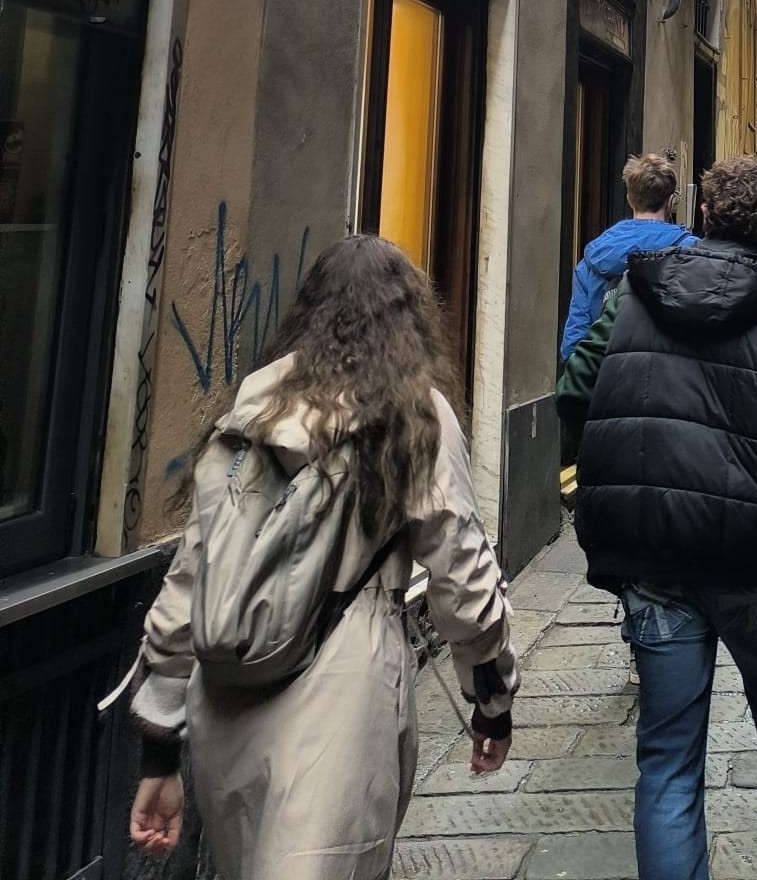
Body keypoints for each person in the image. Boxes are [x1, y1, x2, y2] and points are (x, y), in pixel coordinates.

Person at [123, 235, 519, 877]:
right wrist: (492, 702)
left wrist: (159, 754)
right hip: (344, 702)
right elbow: (465, 578)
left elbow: (191, 575)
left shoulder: (253, 409)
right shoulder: (414, 415)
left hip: (224, 711)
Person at [557, 155, 757, 880]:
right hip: (751, 553)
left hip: (652, 545)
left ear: (705, 215)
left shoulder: (635, 288)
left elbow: (575, 386)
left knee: (667, 751)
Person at [560, 150, 694, 360]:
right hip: (668, 371)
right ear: (670, 201)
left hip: (609, 371)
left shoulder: (592, 259)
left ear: (629, 200)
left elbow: (574, 344)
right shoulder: (691, 251)